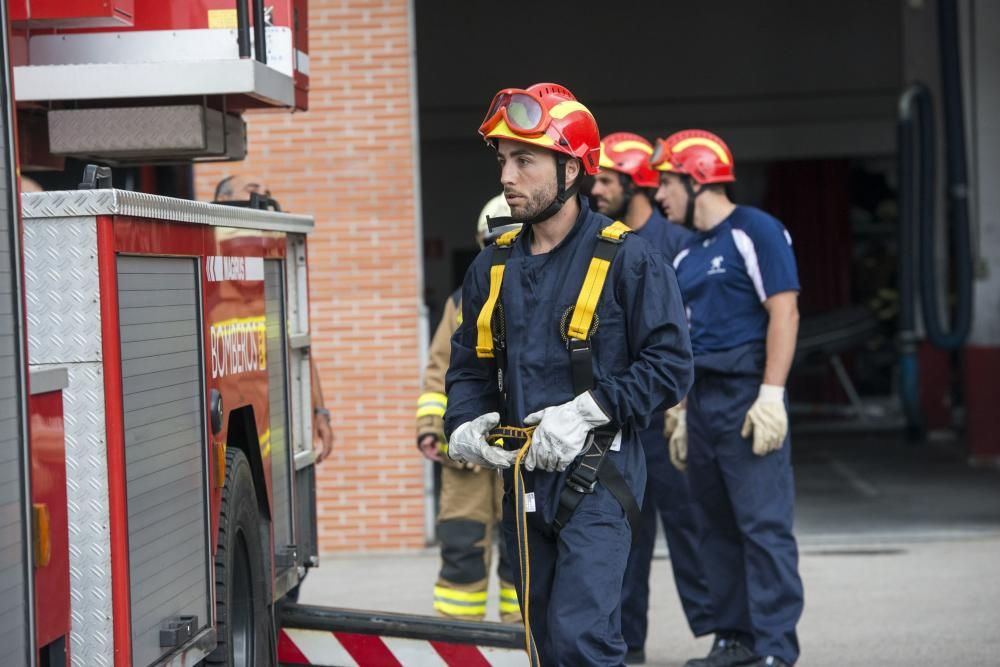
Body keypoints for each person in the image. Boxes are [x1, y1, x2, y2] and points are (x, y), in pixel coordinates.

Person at [444, 83, 693, 665]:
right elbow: (471, 365)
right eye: (504, 160)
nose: (507, 176)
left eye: (525, 160)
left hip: (600, 479)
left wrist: (587, 412)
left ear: (571, 169)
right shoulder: (492, 267)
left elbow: (670, 367)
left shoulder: (629, 259)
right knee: (544, 643)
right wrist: (465, 424)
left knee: (583, 639)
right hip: (522, 482)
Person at [650, 130, 804, 667]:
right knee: (711, 527)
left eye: (666, 183)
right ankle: (734, 638)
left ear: (697, 179)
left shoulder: (755, 230)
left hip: (747, 399)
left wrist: (772, 395)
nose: (659, 195)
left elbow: (784, 312)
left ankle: (775, 649)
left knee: (762, 526)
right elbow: (685, 337)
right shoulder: (686, 252)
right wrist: (683, 414)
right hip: (704, 403)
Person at [593, 132, 713, 664]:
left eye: (604, 180)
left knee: (693, 528)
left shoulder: (676, 243)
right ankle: (629, 646)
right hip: (628, 414)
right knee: (627, 535)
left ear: (633, 183)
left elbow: (691, 332)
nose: (593, 189)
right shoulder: (602, 242)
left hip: (673, 414)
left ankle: (724, 633)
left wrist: (685, 407)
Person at [416, 193, 522, 623]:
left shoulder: (549, 294)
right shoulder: (462, 302)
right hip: (467, 452)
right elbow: (439, 368)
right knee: (461, 544)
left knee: (524, 549)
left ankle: (524, 638)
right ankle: (459, 643)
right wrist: (430, 426)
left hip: (523, 448)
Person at [213, 175, 334, 463]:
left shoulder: (271, 280)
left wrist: (319, 412)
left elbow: (300, 352)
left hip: (270, 459)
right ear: (222, 203)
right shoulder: (208, 281)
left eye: (267, 195)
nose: (263, 204)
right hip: (229, 458)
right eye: (252, 193)